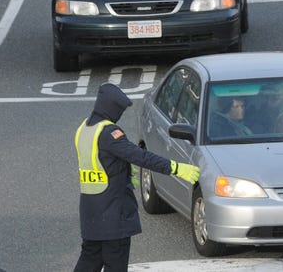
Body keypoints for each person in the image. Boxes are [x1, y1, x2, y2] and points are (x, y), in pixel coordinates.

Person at [72, 83, 200, 272]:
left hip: (91, 214)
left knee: (89, 261)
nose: (120, 115)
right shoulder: (109, 133)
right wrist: (175, 168)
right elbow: (140, 156)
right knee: (115, 264)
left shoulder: (84, 128)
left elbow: (104, 163)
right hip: (114, 216)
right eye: (119, 110)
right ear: (111, 108)